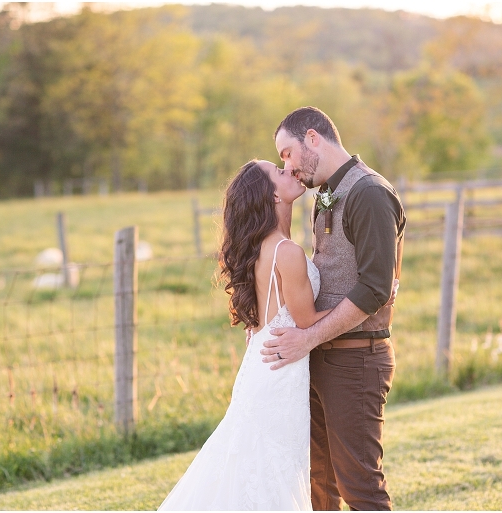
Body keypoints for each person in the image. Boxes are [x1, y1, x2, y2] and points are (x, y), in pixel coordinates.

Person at [158, 159, 328, 510]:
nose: (290, 171)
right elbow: (308, 320)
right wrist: (366, 302)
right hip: (278, 374)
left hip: (264, 368)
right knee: (271, 471)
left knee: (258, 468)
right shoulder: (287, 252)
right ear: (271, 197)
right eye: (279, 172)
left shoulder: (263, 248)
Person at [261, 106, 406, 511]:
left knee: (360, 486)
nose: (286, 165)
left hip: (357, 361)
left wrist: (306, 338)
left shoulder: (370, 193)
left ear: (312, 138)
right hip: (319, 359)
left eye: (287, 152)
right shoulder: (324, 195)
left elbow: (376, 288)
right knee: (318, 486)